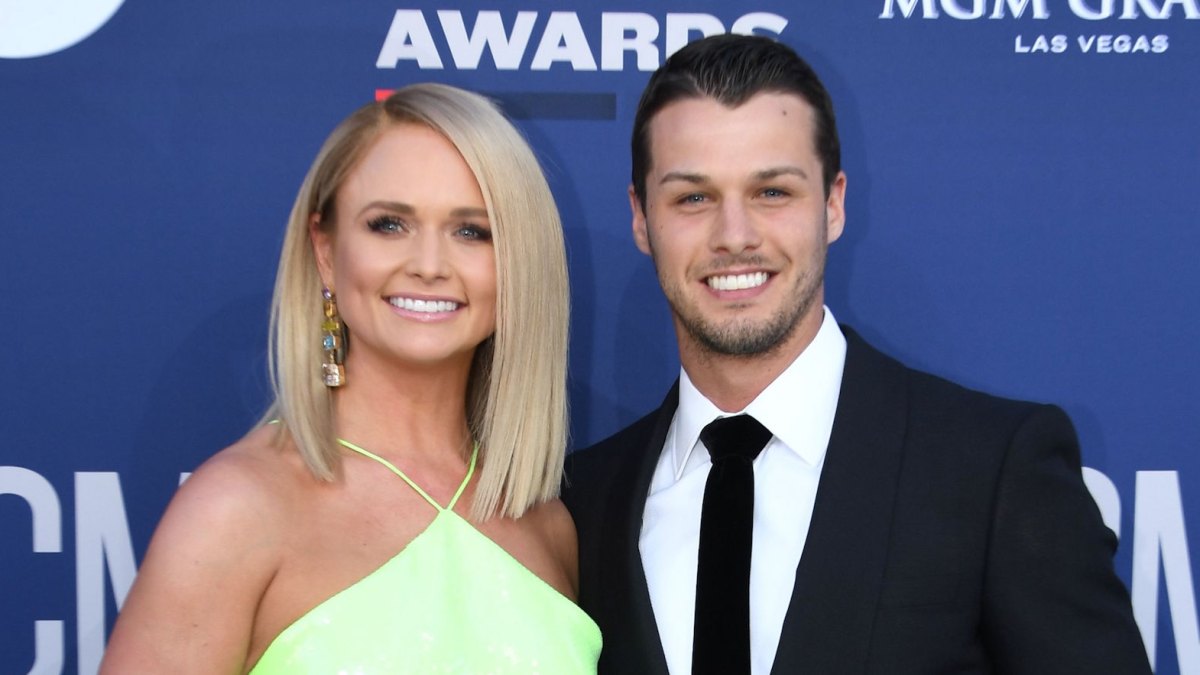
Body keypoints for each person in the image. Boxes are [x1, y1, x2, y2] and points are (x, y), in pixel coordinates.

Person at [562, 34, 1149, 674]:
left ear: (834, 204)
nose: (734, 236)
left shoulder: (993, 471)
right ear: (641, 218)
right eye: (693, 198)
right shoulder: (584, 502)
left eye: (772, 192)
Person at [102, 83, 600, 673]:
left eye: (472, 231)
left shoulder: (547, 526)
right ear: (325, 250)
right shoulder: (236, 510)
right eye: (389, 225)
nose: (429, 265)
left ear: (518, 262)